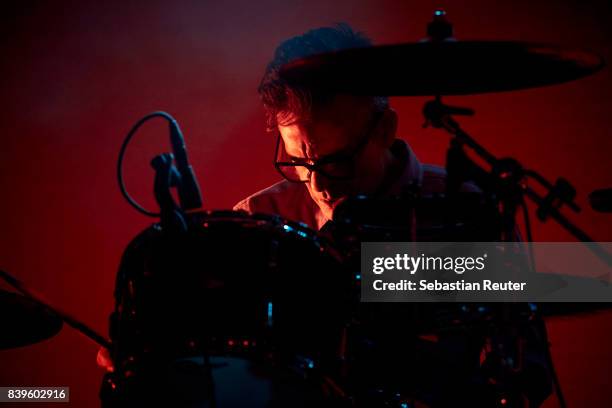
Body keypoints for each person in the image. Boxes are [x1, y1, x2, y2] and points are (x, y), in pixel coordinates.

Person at [233, 23, 467, 231]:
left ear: (385, 128)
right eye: (299, 163)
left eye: (336, 161)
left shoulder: (470, 210)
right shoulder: (258, 220)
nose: (319, 186)